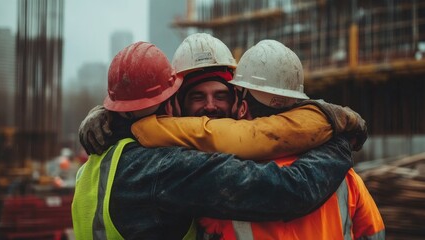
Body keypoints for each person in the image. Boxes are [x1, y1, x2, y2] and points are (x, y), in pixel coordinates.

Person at [72, 41, 354, 239]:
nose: (210, 106)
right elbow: (289, 191)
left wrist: (105, 116)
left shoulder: (95, 164)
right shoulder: (171, 169)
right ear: (174, 104)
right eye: (197, 96)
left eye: (220, 95)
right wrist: (340, 143)